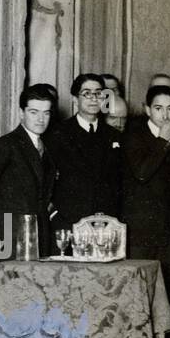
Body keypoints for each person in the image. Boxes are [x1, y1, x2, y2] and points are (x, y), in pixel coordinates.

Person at [0, 84, 59, 257]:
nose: (41, 119)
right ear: (21, 113)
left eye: (46, 113)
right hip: (7, 239)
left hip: (40, 238)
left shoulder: (47, 148)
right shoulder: (5, 145)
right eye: (34, 112)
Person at [120, 85, 170, 317]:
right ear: (147, 109)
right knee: (140, 289)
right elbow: (141, 172)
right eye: (159, 108)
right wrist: (162, 141)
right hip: (139, 229)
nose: (165, 115)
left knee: (165, 290)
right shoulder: (134, 136)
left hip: (166, 229)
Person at [46, 73, 123, 227]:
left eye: (98, 93)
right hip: (69, 222)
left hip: (105, 224)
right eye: (87, 93)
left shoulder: (114, 136)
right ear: (75, 99)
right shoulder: (57, 134)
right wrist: (55, 214)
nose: (94, 98)